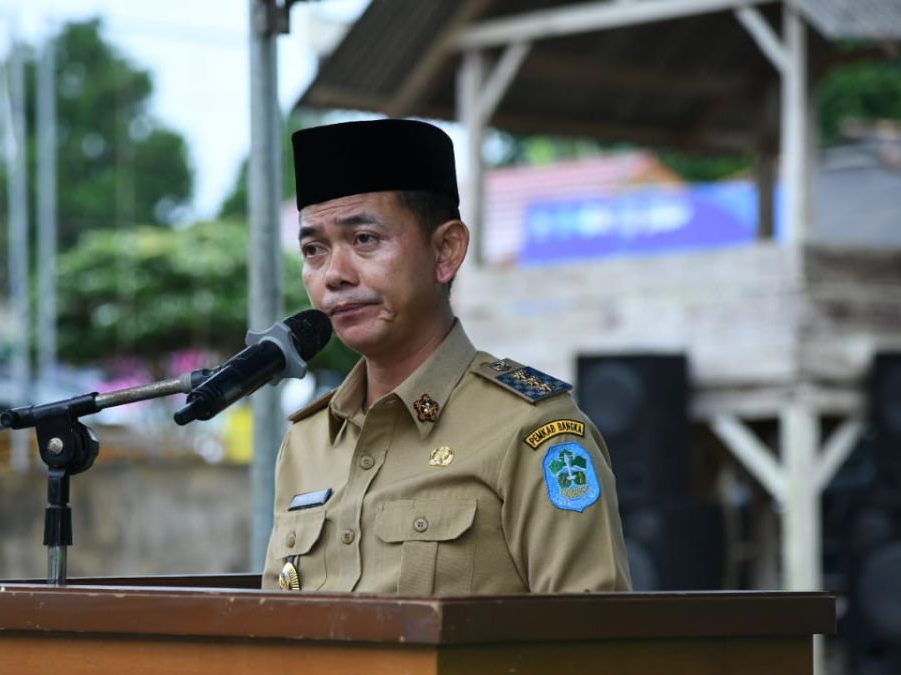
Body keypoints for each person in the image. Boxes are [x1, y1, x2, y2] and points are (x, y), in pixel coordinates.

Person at [262, 118, 630, 594]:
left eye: (364, 239)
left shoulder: (532, 432)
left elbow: (590, 644)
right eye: (314, 250)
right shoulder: (307, 442)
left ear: (446, 251)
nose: (334, 274)